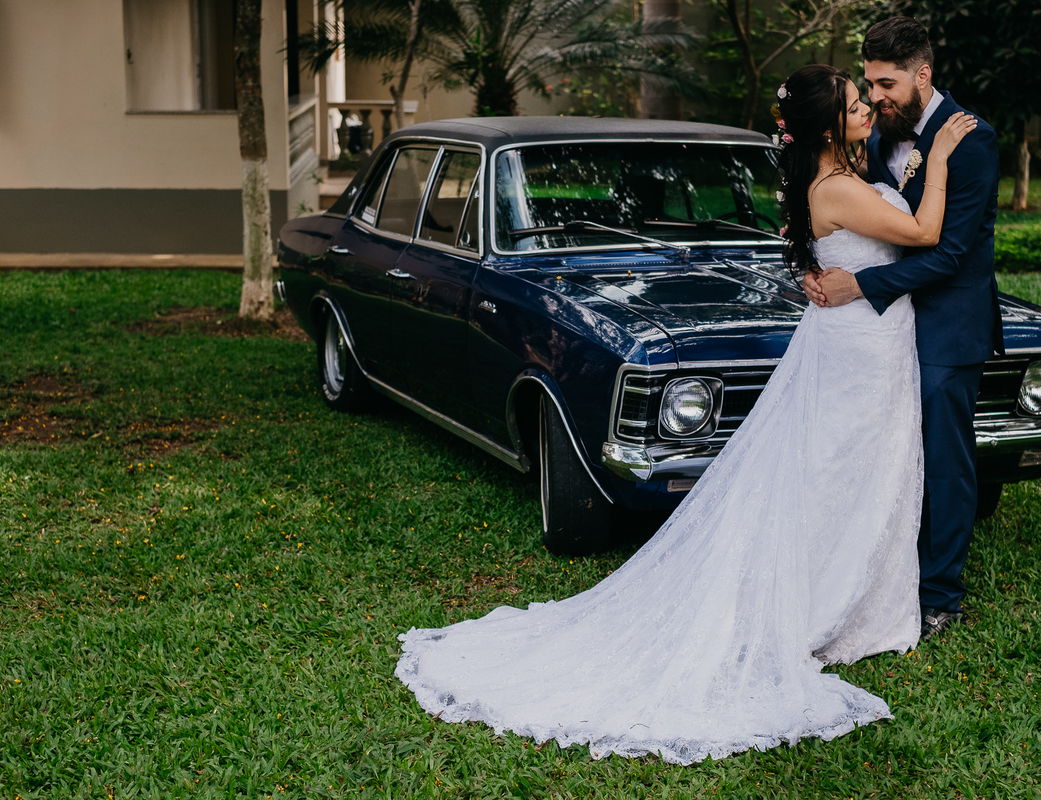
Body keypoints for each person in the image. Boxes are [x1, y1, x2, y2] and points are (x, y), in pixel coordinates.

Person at [394, 66, 975, 765]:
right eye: (855, 105)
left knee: (848, 469)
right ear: (827, 127)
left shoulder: (829, 180)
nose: (868, 110)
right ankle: (827, 608)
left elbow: (817, 240)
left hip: (859, 338)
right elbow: (923, 230)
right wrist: (940, 158)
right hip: (859, 346)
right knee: (842, 471)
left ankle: (851, 600)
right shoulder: (841, 186)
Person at [804, 17, 1002, 640]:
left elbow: (946, 253)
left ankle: (940, 594)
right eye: (867, 85)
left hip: (947, 323)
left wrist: (857, 284)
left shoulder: (970, 140)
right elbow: (846, 213)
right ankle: (874, 572)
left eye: (886, 84)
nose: (875, 97)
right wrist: (819, 265)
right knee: (885, 449)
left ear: (924, 74)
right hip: (884, 330)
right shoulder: (876, 134)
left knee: (944, 458)